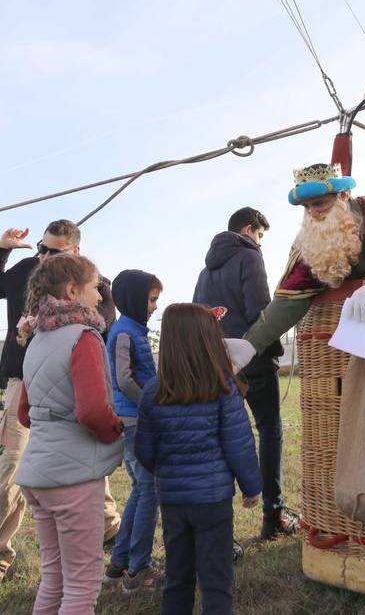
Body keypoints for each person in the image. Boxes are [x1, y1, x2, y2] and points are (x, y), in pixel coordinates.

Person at [0, 219, 119, 582]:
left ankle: (110, 529)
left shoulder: (92, 284)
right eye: (41, 247)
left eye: (53, 250)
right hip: (27, 381)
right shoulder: (26, 271)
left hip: (74, 384)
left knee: (85, 453)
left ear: (74, 252)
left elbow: (103, 328)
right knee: (13, 464)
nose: (43, 255)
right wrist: (2, 249)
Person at [228, 164, 365, 370]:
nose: (313, 214)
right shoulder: (312, 243)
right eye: (306, 207)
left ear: (344, 195)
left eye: (319, 203)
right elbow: (291, 295)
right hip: (357, 345)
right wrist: (250, 344)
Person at [135, 303, 262, 615]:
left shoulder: (153, 391)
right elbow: (239, 444)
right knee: (215, 580)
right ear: (209, 340)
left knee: (177, 578)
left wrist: (168, 473)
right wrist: (252, 487)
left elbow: (144, 451)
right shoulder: (223, 387)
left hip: (174, 501)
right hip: (213, 501)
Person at [193, 206, 298, 540]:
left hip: (214, 364)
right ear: (249, 229)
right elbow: (259, 312)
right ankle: (273, 515)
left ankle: (218, 530)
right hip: (250, 360)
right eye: (261, 235)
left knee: (221, 439)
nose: (262, 243)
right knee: (269, 431)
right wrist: (273, 350)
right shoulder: (250, 257)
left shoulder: (204, 271)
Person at [105, 269, 163, 593]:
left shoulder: (134, 330)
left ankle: (118, 563)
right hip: (135, 421)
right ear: (133, 298)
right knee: (150, 491)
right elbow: (125, 379)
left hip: (134, 420)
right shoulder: (125, 332)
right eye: (152, 299)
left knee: (142, 491)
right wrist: (151, 404)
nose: (154, 306)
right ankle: (138, 569)